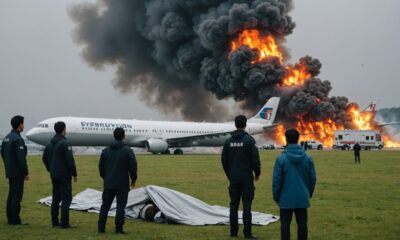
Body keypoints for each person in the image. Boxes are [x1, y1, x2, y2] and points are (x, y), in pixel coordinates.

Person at [272, 129, 317, 240]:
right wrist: (308, 193)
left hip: (285, 198)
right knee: (302, 224)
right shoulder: (307, 158)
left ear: (286, 139)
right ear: (298, 139)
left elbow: (277, 180)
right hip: (302, 197)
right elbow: (313, 178)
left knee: (285, 225)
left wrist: (276, 197)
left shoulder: (281, 158)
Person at [221, 115, 260, 240]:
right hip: (246, 179)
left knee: (233, 206)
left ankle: (233, 233)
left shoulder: (228, 141)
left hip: (234, 178)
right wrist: (257, 173)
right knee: (247, 206)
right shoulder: (249, 141)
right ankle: (247, 234)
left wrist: (228, 173)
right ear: (245, 125)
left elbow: (224, 160)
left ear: (235, 124)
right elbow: (255, 159)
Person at [98, 127, 137, 234]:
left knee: (105, 206)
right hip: (122, 184)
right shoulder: (128, 150)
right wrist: (133, 179)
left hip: (108, 182)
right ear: (124, 136)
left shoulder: (105, 151)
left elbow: (101, 167)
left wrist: (105, 177)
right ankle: (118, 229)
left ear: (114, 136)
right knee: (120, 207)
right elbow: (133, 166)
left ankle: (101, 228)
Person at [42, 121, 77, 228]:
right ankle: (64, 223)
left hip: (54, 174)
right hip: (64, 175)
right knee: (66, 198)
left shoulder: (49, 143)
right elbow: (70, 160)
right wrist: (74, 174)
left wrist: (50, 168)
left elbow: (44, 158)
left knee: (56, 198)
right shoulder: (65, 143)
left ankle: (54, 222)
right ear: (63, 130)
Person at [0, 115, 29, 225]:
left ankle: (10, 218)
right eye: (23, 123)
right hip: (17, 173)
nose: (23, 125)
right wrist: (25, 173)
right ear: (20, 124)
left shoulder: (6, 138)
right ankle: (15, 220)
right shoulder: (17, 139)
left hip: (10, 171)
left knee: (11, 195)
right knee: (17, 196)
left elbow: (2, 154)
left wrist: (8, 166)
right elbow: (21, 158)